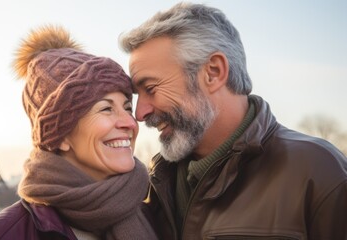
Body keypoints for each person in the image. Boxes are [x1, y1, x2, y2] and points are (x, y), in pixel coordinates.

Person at [119, 2, 347, 240]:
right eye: (137, 95)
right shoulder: (155, 184)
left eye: (151, 88)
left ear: (214, 72)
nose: (139, 113)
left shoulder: (319, 172)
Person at [0, 25, 157, 240]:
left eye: (127, 108)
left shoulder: (163, 214)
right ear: (61, 136)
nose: (130, 122)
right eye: (106, 108)